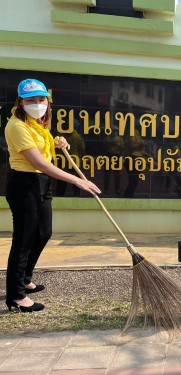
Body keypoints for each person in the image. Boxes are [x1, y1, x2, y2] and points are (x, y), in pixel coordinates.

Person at [4, 78, 101, 313]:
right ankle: (16, 296)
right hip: (25, 184)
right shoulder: (17, 126)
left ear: (47, 101)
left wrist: (59, 142)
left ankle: (25, 278)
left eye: (41, 100)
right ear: (20, 102)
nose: (37, 104)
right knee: (24, 239)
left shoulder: (37, 123)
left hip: (41, 183)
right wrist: (78, 180)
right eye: (31, 100)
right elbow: (39, 163)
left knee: (44, 232)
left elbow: (43, 151)